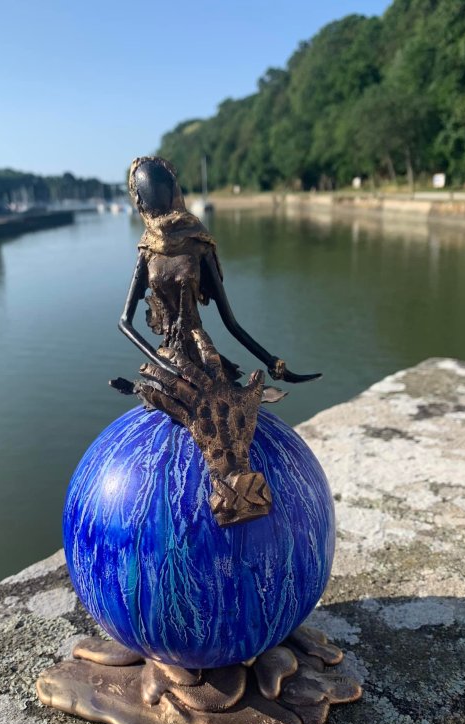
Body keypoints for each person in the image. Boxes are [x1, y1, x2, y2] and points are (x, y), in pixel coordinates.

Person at [111, 156, 320, 526]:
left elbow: (230, 320)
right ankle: (228, 504)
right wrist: (160, 365)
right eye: (148, 192)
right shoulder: (147, 252)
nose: (154, 198)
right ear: (140, 200)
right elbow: (125, 323)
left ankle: (245, 500)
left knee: (226, 419)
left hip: (200, 348)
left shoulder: (197, 244)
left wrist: (275, 364)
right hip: (168, 360)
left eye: (159, 189)